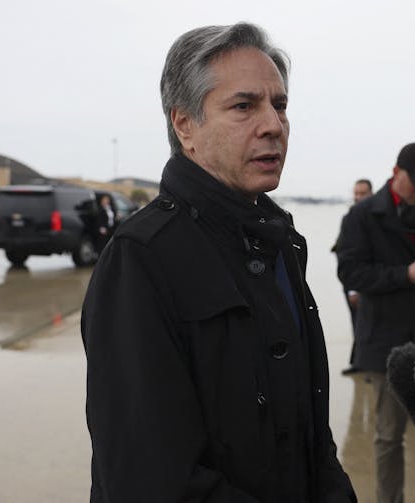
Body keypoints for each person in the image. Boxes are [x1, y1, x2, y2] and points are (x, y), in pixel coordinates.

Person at [81, 23, 355, 503]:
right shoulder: (141, 259)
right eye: (244, 106)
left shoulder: (281, 245)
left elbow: (311, 434)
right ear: (185, 125)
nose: (273, 124)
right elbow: (151, 481)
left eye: (281, 105)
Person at [337, 142, 415, 503]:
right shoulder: (361, 216)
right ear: (396, 174)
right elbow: (350, 271)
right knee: (388, 436)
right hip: (384, 342)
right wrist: (405, 274)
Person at [334, 178, 373, 375]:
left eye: (362, 193)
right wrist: (352, 289)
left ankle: (366, 364)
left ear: (371, 194)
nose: (358, 197)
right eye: (356, 193)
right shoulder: (349, 218)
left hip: (373, 283)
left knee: (370, 326)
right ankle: (360, 363)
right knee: (357, 323)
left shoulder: (377, 220)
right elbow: (345, 256)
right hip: (354, 285)